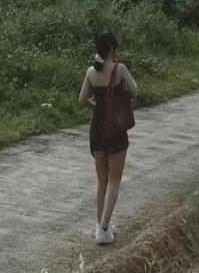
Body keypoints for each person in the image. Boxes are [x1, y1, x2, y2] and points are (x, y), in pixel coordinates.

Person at [78, 32, 138, 245]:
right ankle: (104, 229)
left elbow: (82, 100)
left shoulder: (91, 72)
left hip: (97, 129)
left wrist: (98, 105)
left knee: (102, 180)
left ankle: (101, 224)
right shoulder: (120, 69)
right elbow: (136, 90)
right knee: (114, 181)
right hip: (115, 130)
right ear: (112, 48)